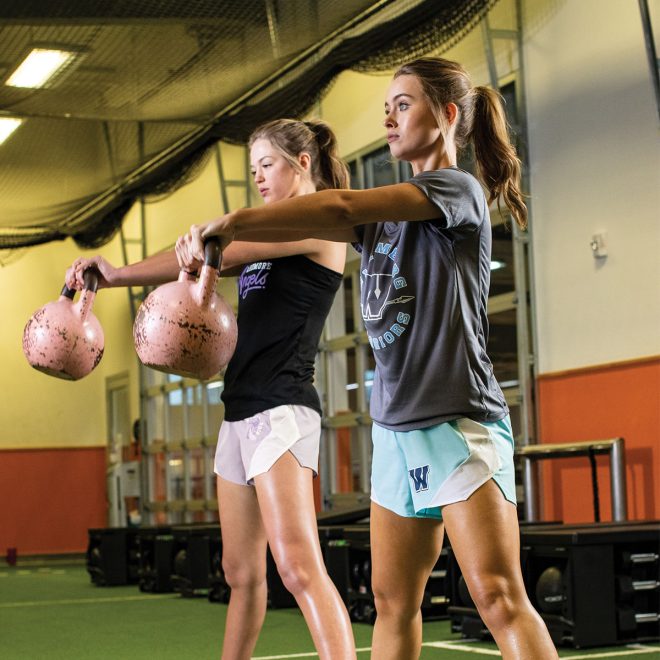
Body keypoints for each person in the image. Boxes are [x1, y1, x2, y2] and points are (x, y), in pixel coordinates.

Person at [178, 57, 559, 660]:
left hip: (457, 421)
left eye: (403, 104)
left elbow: (340, 209)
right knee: (392, 602)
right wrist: (190, 251)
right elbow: (304, 225)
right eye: (388, 105)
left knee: (497, 596)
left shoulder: (453, 192)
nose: (388, 116)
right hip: (394, 431)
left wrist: (230, 220)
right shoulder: (381, 218)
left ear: (447, 116)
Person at [66, 119, 357, 660]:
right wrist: (110, 274)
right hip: (240, 411)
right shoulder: (263, 227)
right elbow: (197, 260)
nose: (259, 178)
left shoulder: (321, 223)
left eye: (267, 165)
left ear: (303, 164)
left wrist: (205, 241)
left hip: (283, 411)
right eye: (253, 170)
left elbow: (216, 251)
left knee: (297, 567)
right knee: (240, 572)